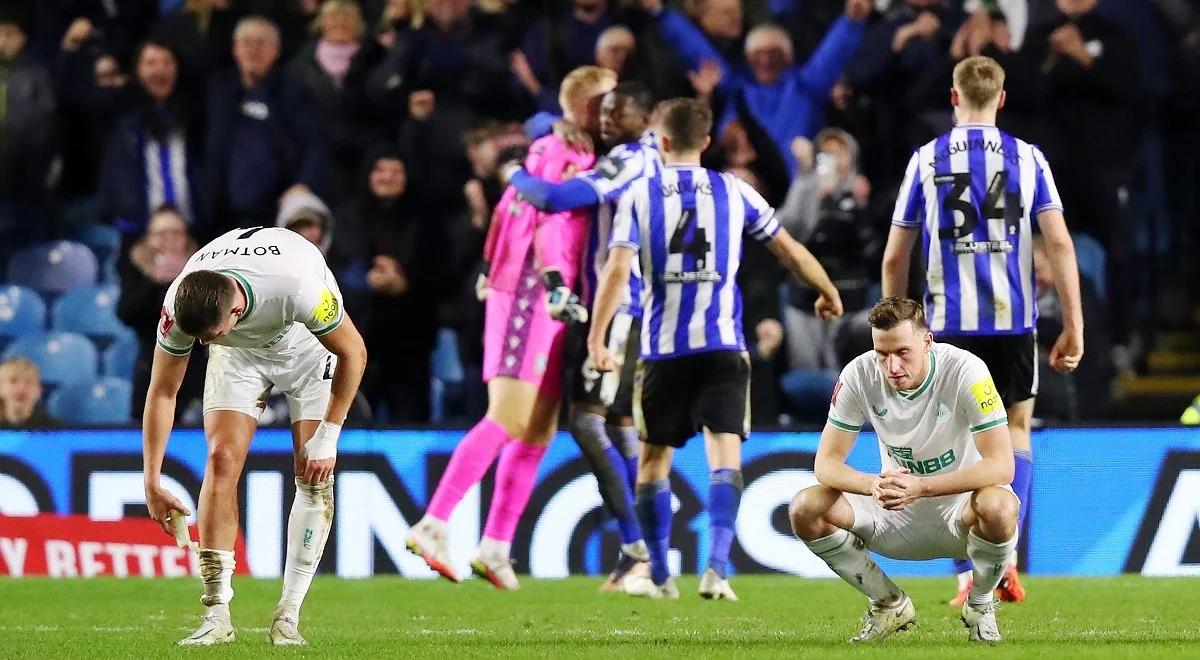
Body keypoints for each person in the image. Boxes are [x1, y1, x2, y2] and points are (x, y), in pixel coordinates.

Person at [588, 97, 843, 600]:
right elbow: (787, 249)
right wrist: (826, 288)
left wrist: (598, 339)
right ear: (706, 142)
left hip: (662, 350)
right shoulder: (735, 191)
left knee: (653, 460)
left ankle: (661, 575)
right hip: (723, 345)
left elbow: (617, 271)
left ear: (661, 141)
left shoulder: (638, 195)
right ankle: (717, 569)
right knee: (725, 456)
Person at [880, 55, 1084, 605]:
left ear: (953, 97)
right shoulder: (1028, 157)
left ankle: (968, 575)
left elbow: (897, 252)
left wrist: (896, 327)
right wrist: (1075, 324)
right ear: (1001, 97)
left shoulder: (926, 159)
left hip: (946, 327)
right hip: (1012, 321)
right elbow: (1060, 243)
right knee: (1014, 432)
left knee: (951, 446)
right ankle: (1006, 558)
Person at [404, 66, 614, 591]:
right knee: (507, 415)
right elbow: (538, 218)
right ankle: (434, 523)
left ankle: (496, 546)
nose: (614, 113)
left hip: (549, 294)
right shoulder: (555, 150)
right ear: (587, 107)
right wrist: (547, 280)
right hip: (531, 290)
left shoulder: (569, 145)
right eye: (607, 104)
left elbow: (508, 205)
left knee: (538, 427)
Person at [141, 226, 367, 646]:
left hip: (307, 346)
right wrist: (151, 480)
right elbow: (163, 389)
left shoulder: (296, 288)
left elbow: (354, 351)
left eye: (211, 335)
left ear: (235, 312)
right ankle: (216, 615)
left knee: (313, 472)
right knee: (221, 459)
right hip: (241, 354)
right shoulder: (179, 304)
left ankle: (289, 614)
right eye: (200, 340)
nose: (205, 343)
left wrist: (329, 435)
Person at [505, 81, 666, 590]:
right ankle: (648, 560)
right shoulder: (643, 158)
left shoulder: (631, 159)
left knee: (586, 422)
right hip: (634, 310)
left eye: (617, 111)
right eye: (602, 111)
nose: (605, 119)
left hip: (622, 307)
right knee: (619, 426)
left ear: (644, 119)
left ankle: (639, 548)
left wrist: (511, 172)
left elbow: (555, 198)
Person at [788, 297, 1019, 643]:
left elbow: (1002, 465)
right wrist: (871, 485)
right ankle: (888, 603)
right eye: (882, 354)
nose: (892, 366)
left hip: (960, 511)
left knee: (1000, 506)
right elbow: (826, 463)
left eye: (902, 352)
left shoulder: (966, 371)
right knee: (804, 508)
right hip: (894, 510)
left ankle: (981, 603)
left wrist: (923, 487)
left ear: (927, 342)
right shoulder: (859, 374)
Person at [206, 16, 330, 231]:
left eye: (261, 43)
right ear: (235, 49)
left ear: (275, 51)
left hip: (277, 211)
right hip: (223, 213)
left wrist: (304, 184)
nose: (253, 49)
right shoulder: (218, 90)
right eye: (246, 42)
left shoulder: (294, 90)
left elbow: (316, 143)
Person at [117, 205, 201, 420]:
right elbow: (126, 313)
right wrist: (154, 282)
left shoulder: (204, 266)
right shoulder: (135, 265)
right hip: (152, 366)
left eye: (175, 233)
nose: (168, 240)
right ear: (149, 238)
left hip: (198, 366)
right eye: (161, 234)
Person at [0, 357, 56, 429]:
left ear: (39, 390)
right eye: (13, 381)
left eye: (29, 382)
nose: (22, 388)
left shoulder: (58, 433)